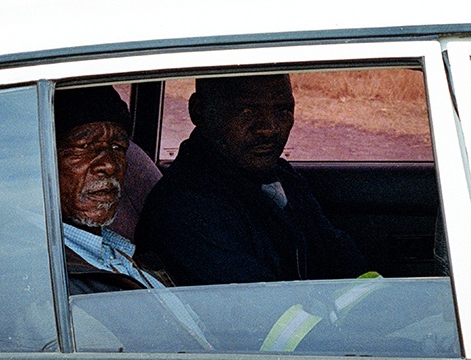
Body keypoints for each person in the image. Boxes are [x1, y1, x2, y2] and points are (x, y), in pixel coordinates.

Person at [136, 73, 369, 286]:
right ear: (199, 111)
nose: (268, 129)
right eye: (247, 111)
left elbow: (338, 256)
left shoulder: (281, 176)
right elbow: (268, 317)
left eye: (282, 111)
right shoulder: (185, 210)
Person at [53, 85, 181, 296]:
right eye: (85, 147)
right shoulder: (53, 272)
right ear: (43, 159)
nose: (110, 165)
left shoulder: (116, 249)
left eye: (117, 148)